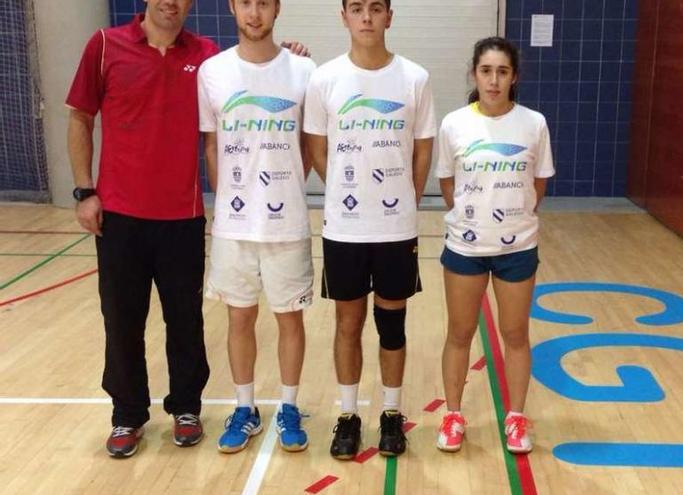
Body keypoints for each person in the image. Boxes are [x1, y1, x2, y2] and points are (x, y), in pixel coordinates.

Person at [66, 0, 308, 458]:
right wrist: (84, 190)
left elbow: (254, 71)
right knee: (121, 321)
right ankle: (127, 414)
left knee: (185, 322)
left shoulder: (208, 57)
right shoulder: (103, 46)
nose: (170, 2)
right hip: (118, 215)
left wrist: (291, 54)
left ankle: (186, 408)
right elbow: (80, 117)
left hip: (183, 214)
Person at [303, 0, 435, 459]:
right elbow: (318, 149)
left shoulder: (414, 78)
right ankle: (347, 415)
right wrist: (344, 191)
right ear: (343, 17)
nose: (365, 17)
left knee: (392, 325)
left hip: (396, 228)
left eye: (374, 8)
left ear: (388, 17)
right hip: (345, 227)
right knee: (347, 324)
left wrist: (406, 200)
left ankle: (392, 415)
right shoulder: (325, 78)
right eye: (356, 8)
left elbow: (422, 152)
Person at [198, 0, 315, 454]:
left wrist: (289, 185)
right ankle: (244, 408)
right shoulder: (212, 72)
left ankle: (289, 406)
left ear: (277, 8)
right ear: (232, 6)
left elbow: (309, 143)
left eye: (263, 2)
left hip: (286, 222)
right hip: (234, 225)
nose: (254, 12)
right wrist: (229, 198)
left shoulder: (303, 70)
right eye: (245, 2)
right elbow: (212, 145)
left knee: (290, 319)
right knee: (239, 317)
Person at [433, 37, 554, 454]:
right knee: (460, 332)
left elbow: (539, 184)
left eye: (503, 71)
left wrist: (513, 216)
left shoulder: (533, 123)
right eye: (487, 71)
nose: (494, 80)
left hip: (518, 248)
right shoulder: (454, 124)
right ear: (474, 74)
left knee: (515, 333)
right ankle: (452, 415)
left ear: (513, 76)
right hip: (465, 247)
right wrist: (471, 217)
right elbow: (447, 183)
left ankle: (516, 419)